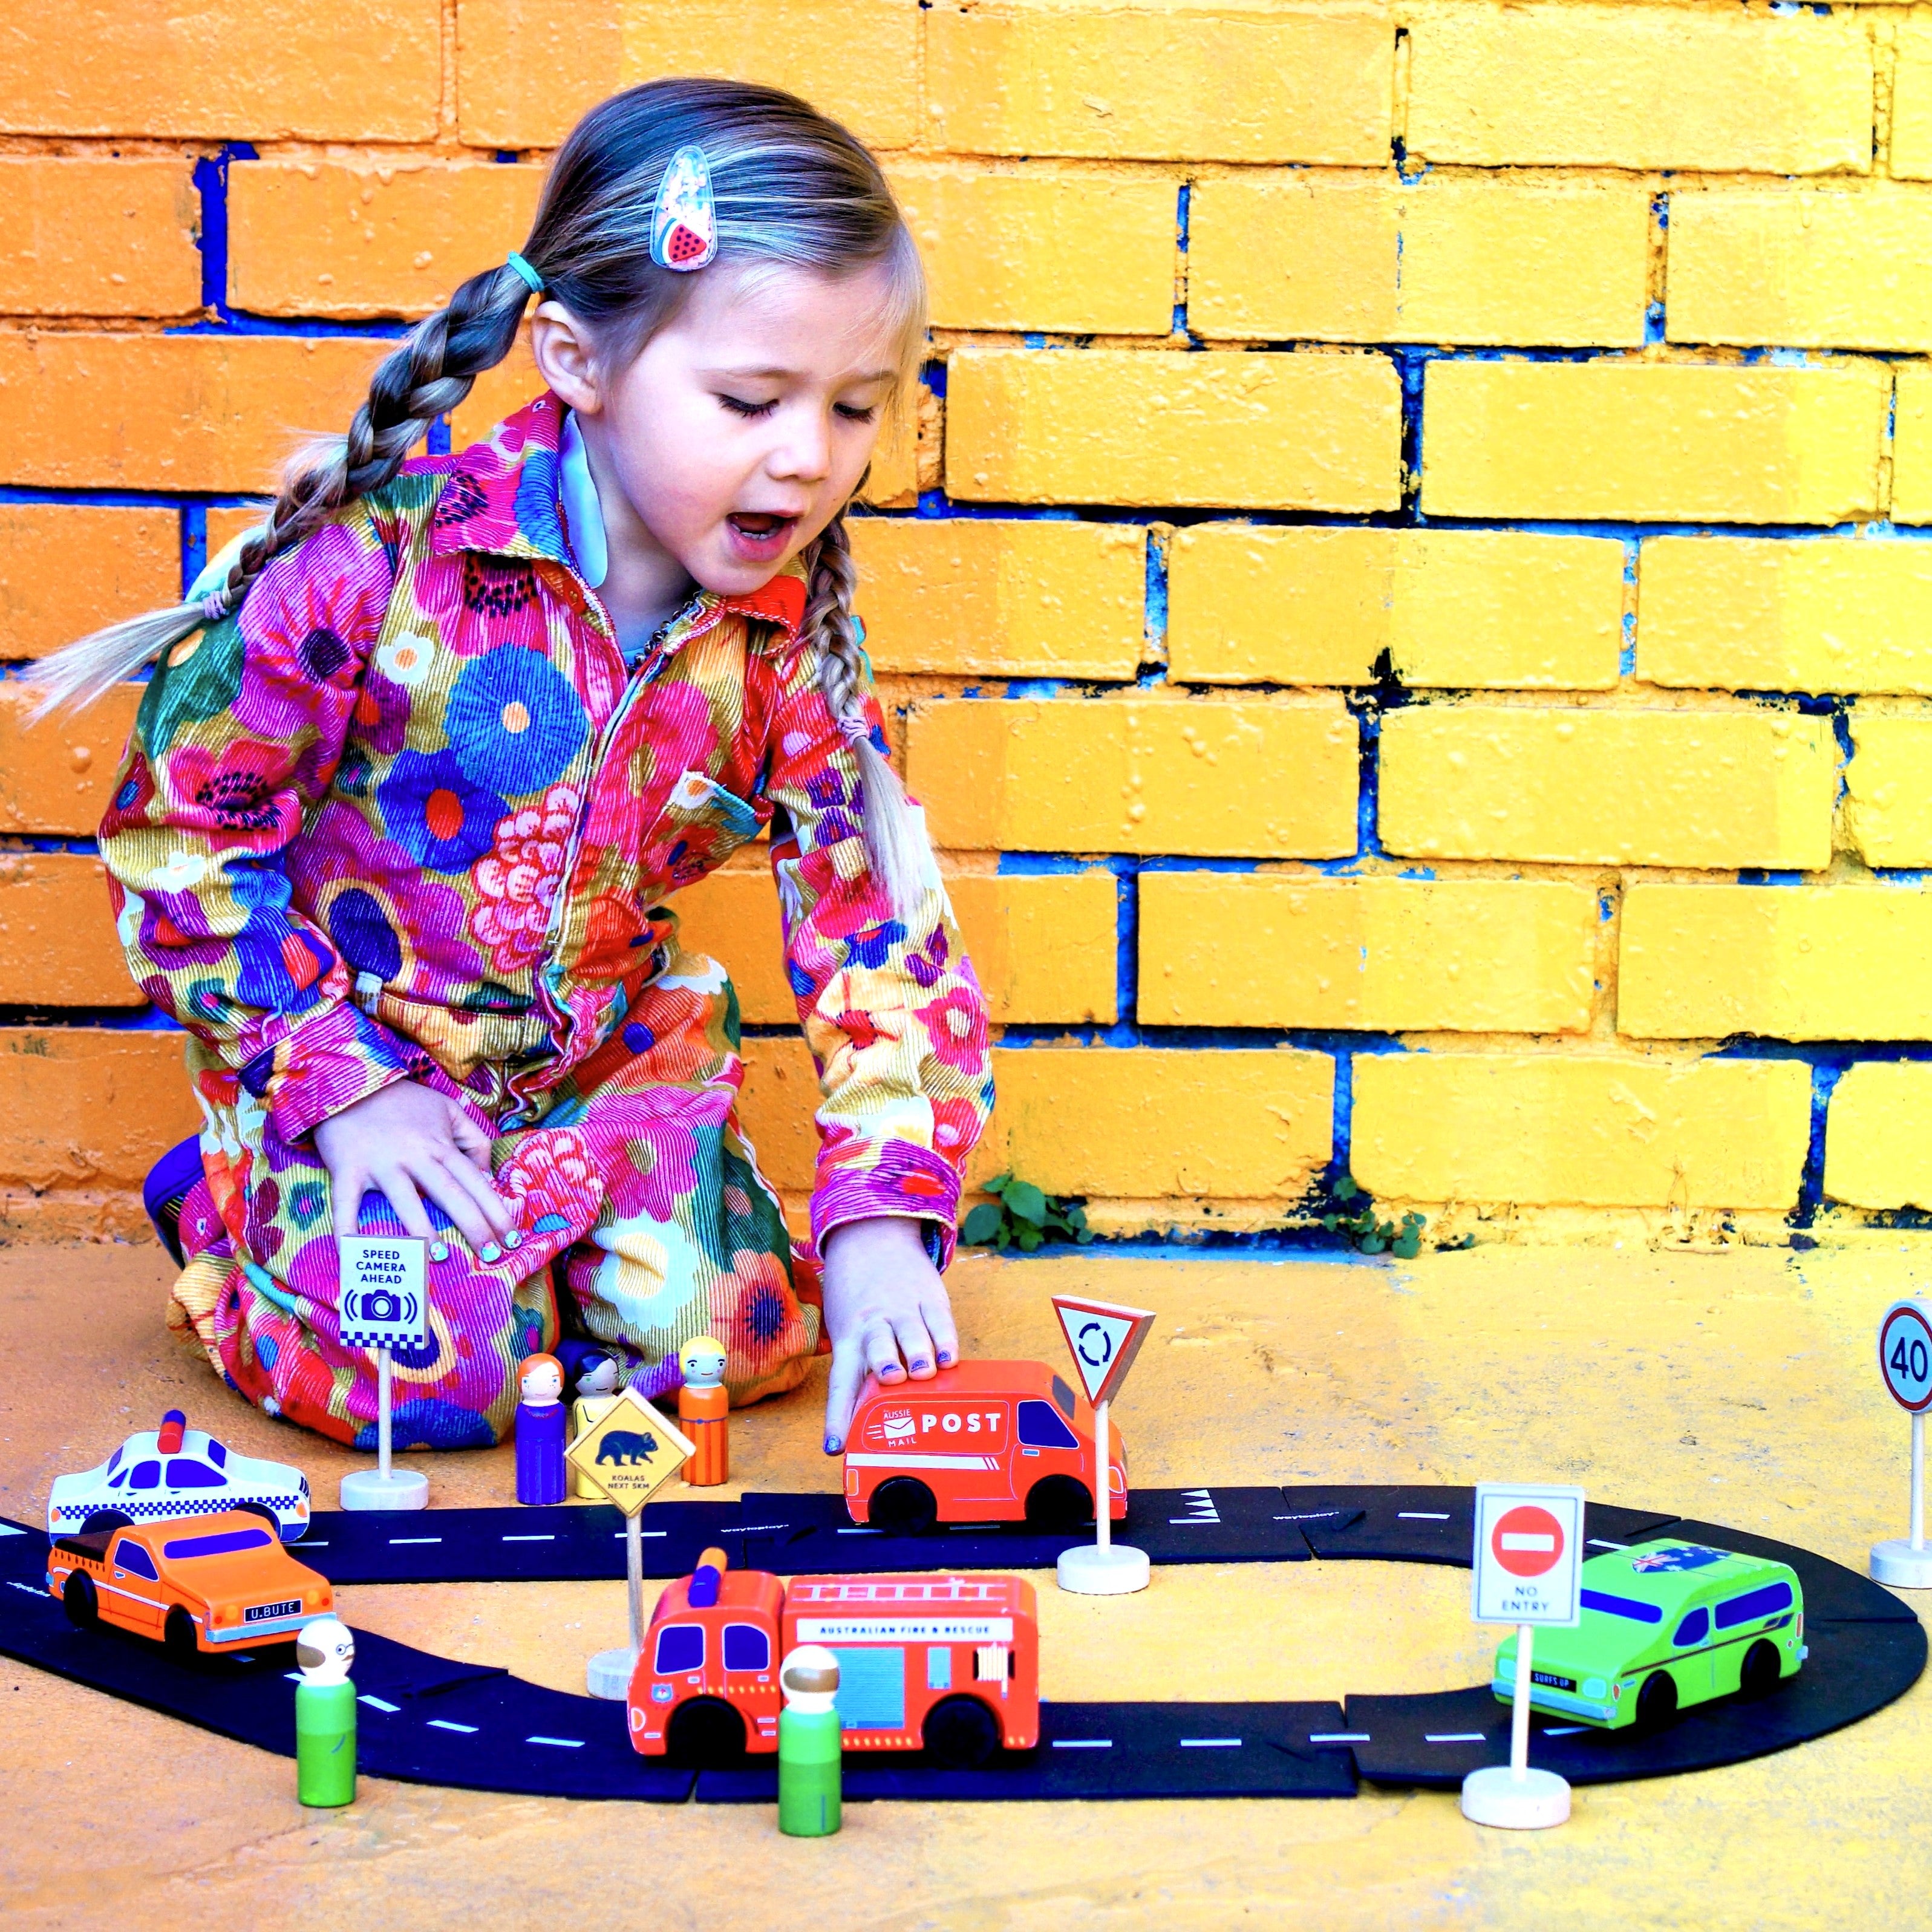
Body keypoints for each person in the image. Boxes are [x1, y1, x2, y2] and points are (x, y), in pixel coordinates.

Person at [34, 79, 990, 1461]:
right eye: (750, 398)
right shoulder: (378, 563)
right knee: (440, 1386)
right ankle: (229, 1195)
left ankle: (572, 1253)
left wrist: (888, 1223)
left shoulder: (791, 651)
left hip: (603, 1077)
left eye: (855, 407)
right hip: (375, 1062)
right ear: (577, 360)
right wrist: (335, 1077)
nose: (810, 456)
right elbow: (180, 840)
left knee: (744, 1340)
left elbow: (878, 940)